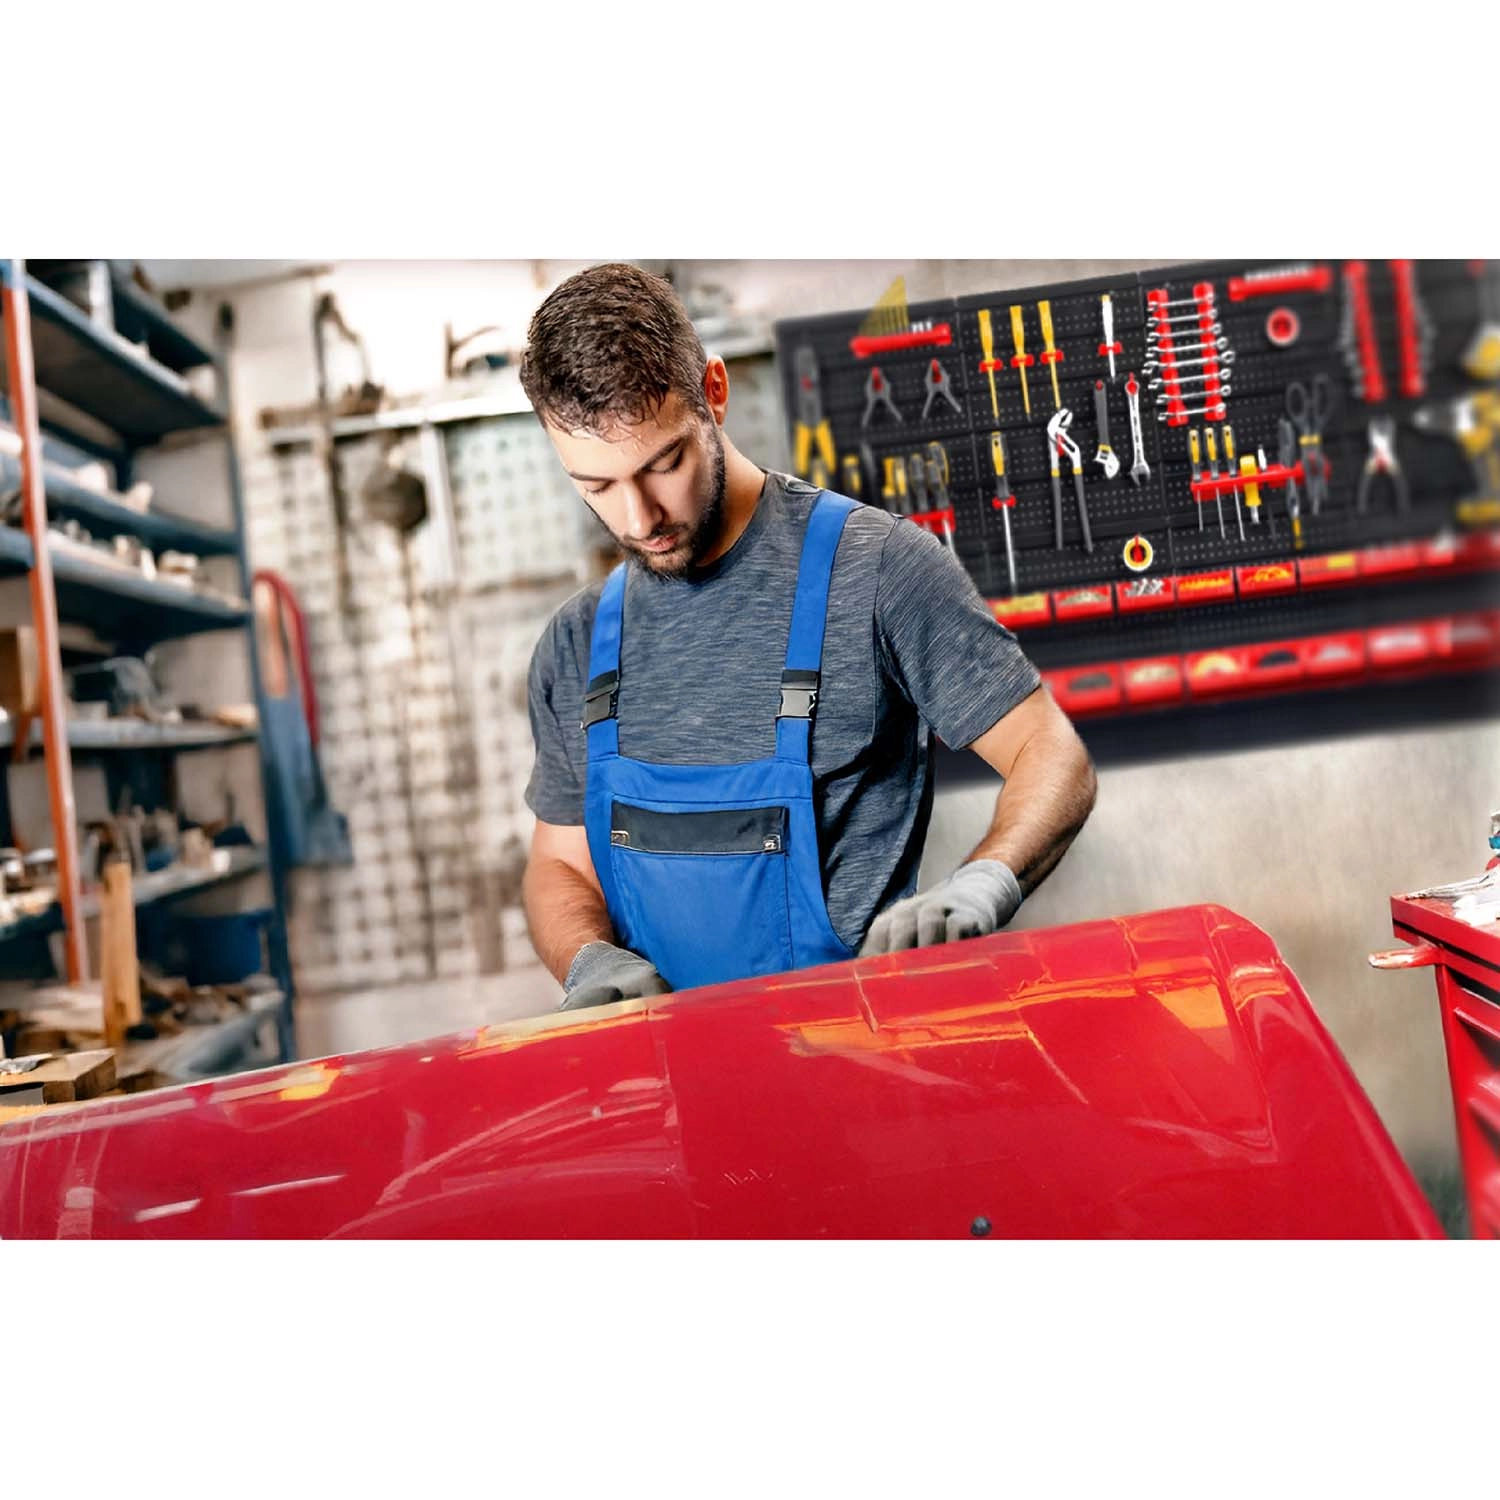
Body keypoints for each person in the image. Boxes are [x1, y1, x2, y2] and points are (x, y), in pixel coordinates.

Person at [519, 263, 1096, 1011]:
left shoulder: (878, 571)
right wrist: (586, 958)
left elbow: (1049, 752)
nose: (638, 518)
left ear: (714, 393)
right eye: (596, 486)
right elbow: (560, 864)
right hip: (666, 1064)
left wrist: (985, 880)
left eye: (663, 464)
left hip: (860, 1050)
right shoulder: (577, 643)